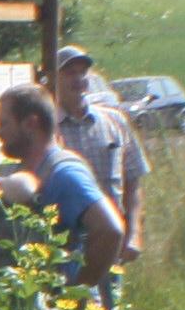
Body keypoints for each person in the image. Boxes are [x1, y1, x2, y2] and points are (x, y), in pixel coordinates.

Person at [0, 81, 125, 289]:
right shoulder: (30, 170)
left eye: (4, 124)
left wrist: (76, 290)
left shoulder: (64, 173)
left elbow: (110, 229)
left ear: (31, 123)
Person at [47, 47, 149, 270]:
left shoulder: (114, 121)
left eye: (83, 72)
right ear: (53, 78)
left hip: (111, 242)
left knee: (109, 303)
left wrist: (134, 235)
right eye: (70, 73)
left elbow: (133, 184)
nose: (78, 79)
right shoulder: (46, 129)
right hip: (64, 246)